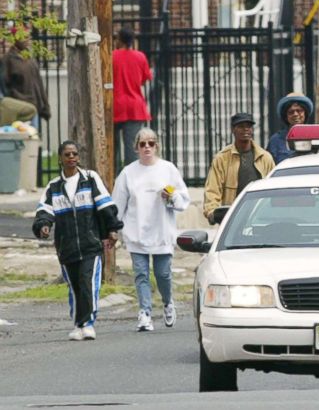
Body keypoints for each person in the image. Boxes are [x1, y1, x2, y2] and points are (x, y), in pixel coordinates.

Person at [33, 140, 123, 341]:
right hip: (66, 247)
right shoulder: (53, 187)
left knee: (88, 282)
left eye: (74, 154)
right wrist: (44, 226)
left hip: (91, 244)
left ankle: (88, 323)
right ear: (60, 159)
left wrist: (112, 230)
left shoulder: (90, 179)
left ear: (78, 158)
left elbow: (105, 204)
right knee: (74, 286)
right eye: (67, 155)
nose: (72, 157)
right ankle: (78, 324)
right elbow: (43, 212)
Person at [112, 128, 190, 332]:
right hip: (136, 232)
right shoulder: (128, 172)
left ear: (157, 146)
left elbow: (183, 200)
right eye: (142, 143)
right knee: (141, 274)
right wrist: (113, 228)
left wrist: (171, 197)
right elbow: (118, 203)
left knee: (163, 274)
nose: (147, 147)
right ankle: (145, 312)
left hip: (161, 231)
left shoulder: (168, 169)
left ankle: (167, 302)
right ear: (136, 147)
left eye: (151, 143)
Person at [203, 113, 276, 224]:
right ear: (233, 129)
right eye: (241, 126)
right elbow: (213, 189)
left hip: (260, 217)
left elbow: (273, 189)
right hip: (232, 218)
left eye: (249, 126)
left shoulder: (265, 157)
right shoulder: (222, 158)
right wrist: (212, 212)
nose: (245, 129)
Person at [112, 27, 153, 167]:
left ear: (119, 40)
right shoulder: (140, 56)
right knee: (132, 147)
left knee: (112, 146)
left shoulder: (112, 56)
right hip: (135, 106)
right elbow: (145, 78)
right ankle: (131, 179)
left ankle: (113, 180)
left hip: (115, 105)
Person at [3, 26, 51, 123]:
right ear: (15, 39)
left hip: (35, 107)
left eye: (28, 36)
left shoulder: (30, 59)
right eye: (23, 37)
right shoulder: (7, 60)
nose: (27, 39)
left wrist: (45, 106)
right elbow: (4, 87)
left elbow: (39, 84)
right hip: (20, 111)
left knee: (33, 136)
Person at [267, 92, 314, 164]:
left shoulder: (315, 136)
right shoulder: (275, 140)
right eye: (291, 112)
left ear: (305, 113)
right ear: (286, 116)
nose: (295, 114)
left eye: (299, 111)